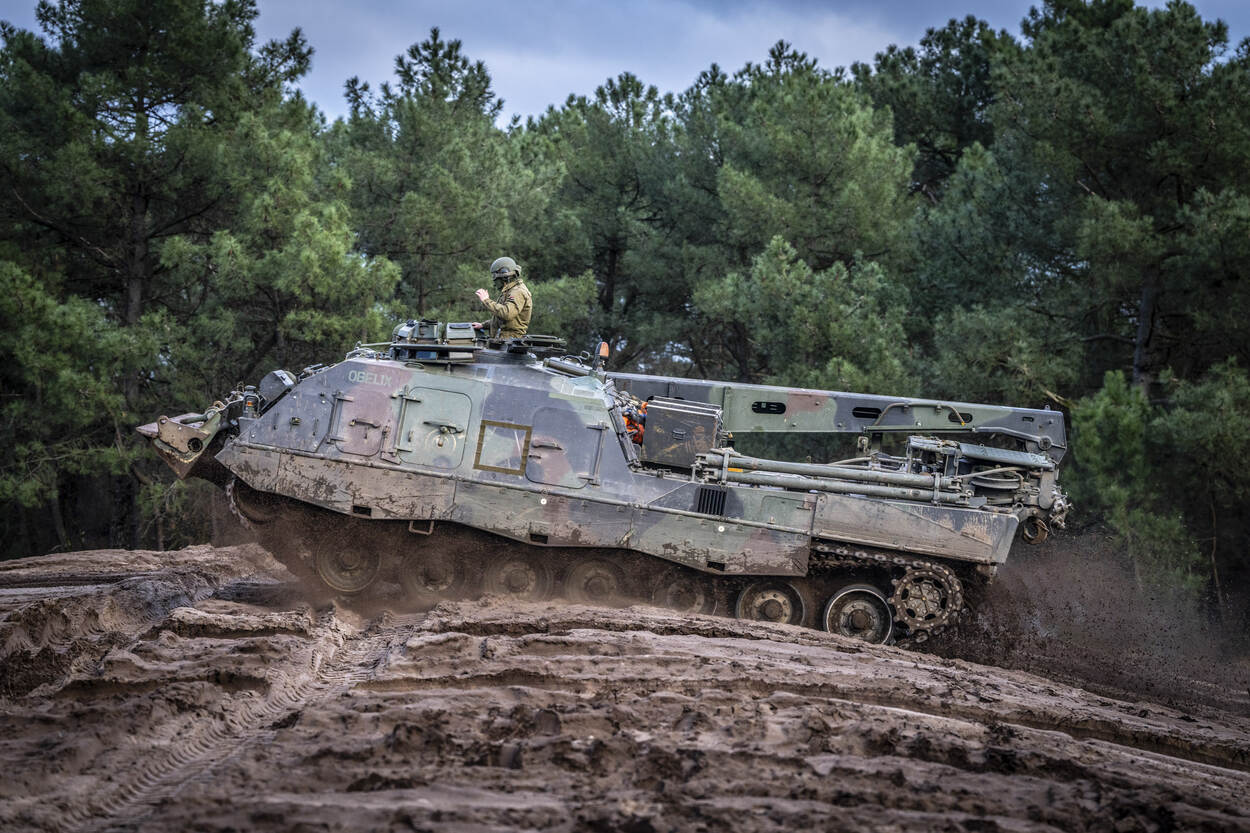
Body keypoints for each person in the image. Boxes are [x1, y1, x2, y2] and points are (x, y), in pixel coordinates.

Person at [473, 256, 532, 339]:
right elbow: (502, 320)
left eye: (496, 280)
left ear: (505, 277)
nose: (494, 284)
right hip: (503, 339)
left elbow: (507, 314)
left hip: (509, 341)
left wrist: (486, 301)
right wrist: (483, 325)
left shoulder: (518, 292)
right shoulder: (509, 290)